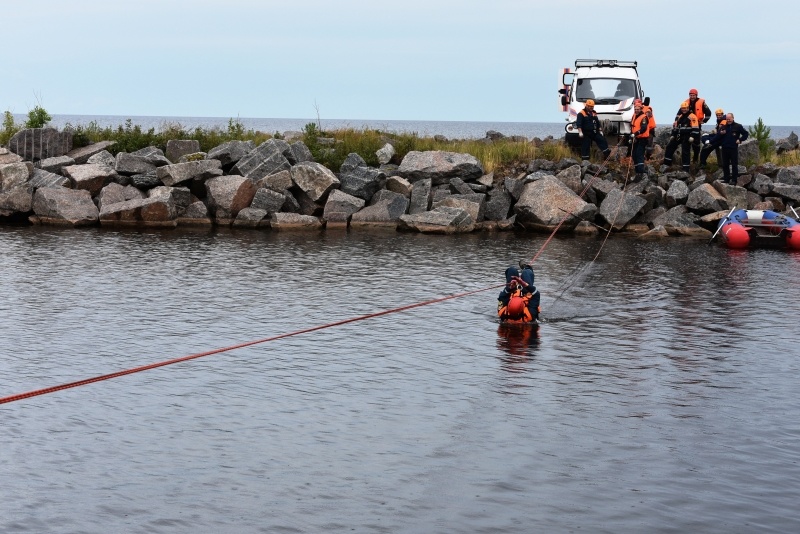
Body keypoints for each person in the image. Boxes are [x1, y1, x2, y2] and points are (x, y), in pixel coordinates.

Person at [673, 88, 711, 165]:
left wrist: (704, 121)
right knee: (686, 143)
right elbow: (678, 113)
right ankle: (687, 160)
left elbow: (708, 113)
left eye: (693, 95)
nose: (692, 96)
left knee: (696, 143)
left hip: (696, 125)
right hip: (686, 125)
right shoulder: (686, 102)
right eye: (691, 95)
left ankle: (696, 158)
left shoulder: (702, 102)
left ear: (696, 95)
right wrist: (676, 121)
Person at [710, 112, 749, 184]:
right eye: (727, 119)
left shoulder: (738, 126)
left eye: (729, 119)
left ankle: (734, 180)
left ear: (733, 118)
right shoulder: (723, 127)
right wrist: (710, 141)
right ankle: (726, 179)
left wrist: (740, 140)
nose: (728, 120)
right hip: (724, 148)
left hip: (733, 148)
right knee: (725, 165)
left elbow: (746, 134)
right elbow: (717, 136)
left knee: (734, 164)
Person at [664, 101, 699, 172]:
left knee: (685, 151)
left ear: (688, 108)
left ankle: (686, 169)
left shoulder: (692, 116)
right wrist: (673, 135)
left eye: (685, 108)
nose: (684, 110)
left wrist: (692, 136)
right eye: (683, 108)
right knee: (670, 147)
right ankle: (667, 164)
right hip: (678, 135)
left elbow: (696, 128)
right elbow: (676, 127)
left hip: (687, 136)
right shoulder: (680, 116)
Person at [629, 100, 650, 181]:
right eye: (635, 109)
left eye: (638, 109)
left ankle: (641, 172)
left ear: (641, 109)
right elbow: (632, 127)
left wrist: (636, 133)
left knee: (639, 154)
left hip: (642, 138)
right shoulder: (634, 116)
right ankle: (637, 171)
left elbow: (644, 128)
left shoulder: (644, 117)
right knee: (634, 154)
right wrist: (631, 137)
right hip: (636, 138)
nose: (636, 110)